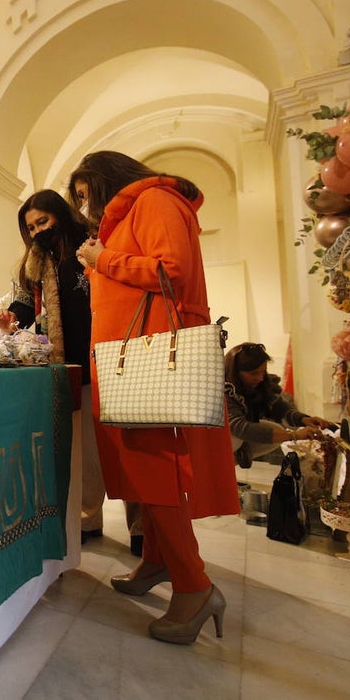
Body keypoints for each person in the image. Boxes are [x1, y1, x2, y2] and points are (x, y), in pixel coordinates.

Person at [73, 150, 240, 645]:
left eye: (86, 196)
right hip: (132, 358)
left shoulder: (155, 199)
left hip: (152, 357)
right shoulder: (134, 211)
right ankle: (157, 561)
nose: (85, 209)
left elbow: (172, 271)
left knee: (156, 470)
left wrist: (101, 258)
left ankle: (194, 586)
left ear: (106, 181)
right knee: (139, 467)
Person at [0, 190, 105, 544]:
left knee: (123, 445)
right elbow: (24, 305)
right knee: (85, 449)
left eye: (43, 221)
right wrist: (11, 319)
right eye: (31, 226)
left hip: (106, 352)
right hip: (67, 363)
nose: (38, 230)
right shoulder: (34, 262)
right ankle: (88, 520)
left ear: (59, 213)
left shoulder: (90, 245)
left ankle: (142, 529)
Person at [225, 342, 334, 468]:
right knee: (247, 434)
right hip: (211, 441)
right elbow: (240, 427)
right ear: (235, 372)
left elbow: (277, 406)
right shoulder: (224, 391)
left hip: (233, 437)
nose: (260, 378)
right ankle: (226, 460)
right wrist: (294, 435)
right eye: (254, 373)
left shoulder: (255, 384)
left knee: (274, 429)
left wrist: (303, 419)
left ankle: (236, 455)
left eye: (262, 372)